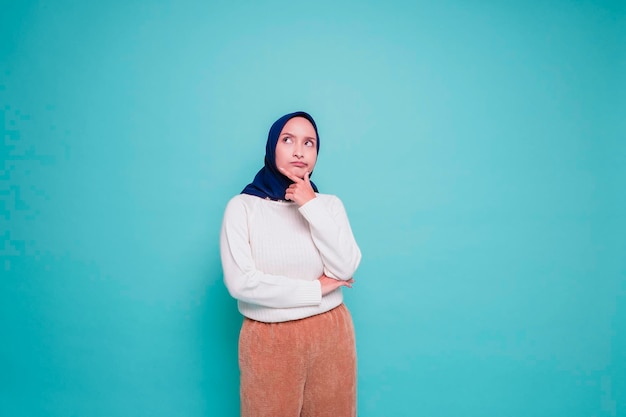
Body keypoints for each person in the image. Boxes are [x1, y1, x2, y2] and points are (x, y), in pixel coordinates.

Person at [220, 111, 362, 417]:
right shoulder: (242, 208)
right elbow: (242, 283)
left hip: (332, 333)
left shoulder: (329, 206)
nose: (299, 151)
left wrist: (310, 204)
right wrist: (316, 289)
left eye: (309, 143)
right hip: (270, 339)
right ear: (272, 147)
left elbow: (346, 267)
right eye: (288, 140)